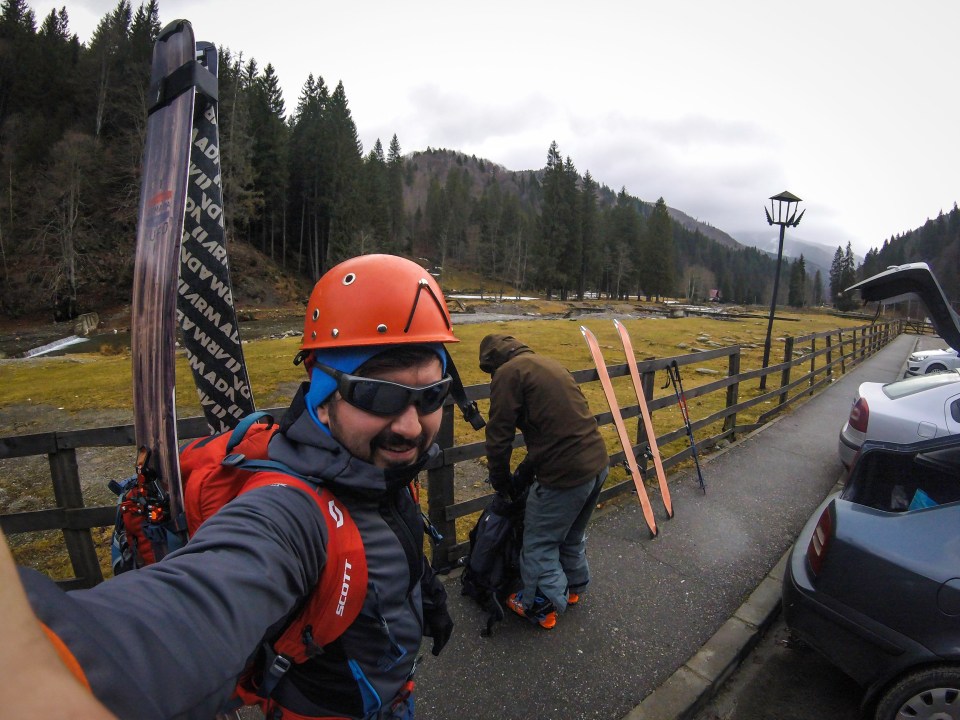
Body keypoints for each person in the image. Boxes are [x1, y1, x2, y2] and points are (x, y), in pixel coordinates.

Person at [11, 254, 477, 720]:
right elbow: (191, 610)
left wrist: (425, 598)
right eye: (380, 395)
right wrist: (44, 672)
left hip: (392, 693)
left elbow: (390, 542)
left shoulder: (378, 467)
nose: (411, 427)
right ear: (322, 395)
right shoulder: (290, 513)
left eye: (431, 395)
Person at [479, 334, 609, 629]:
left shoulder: (507, 373)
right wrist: (528, 468)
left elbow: (499, 437)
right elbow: (558, 426)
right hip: (597, 462)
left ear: (492, 363)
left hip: (564, 474)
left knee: (539, 543)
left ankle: (540, 605)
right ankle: (572, 588)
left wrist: (501, 481)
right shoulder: (550, 364)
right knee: (572, 534)